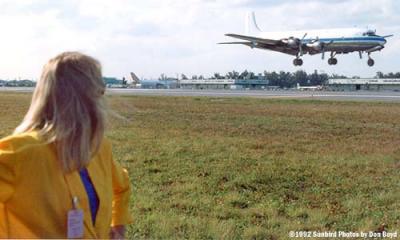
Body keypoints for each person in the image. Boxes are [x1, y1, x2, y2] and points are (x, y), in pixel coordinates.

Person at [0, 52, 132, 238]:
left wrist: (118, 227)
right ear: (82, 97)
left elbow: (122, 186)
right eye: (99, 89)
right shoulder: (20, 154)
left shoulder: (98, 148)